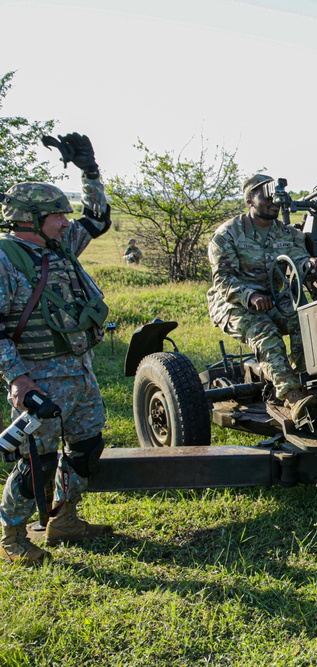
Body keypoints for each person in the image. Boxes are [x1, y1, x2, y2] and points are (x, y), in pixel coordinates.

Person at [0, 132, 114, 565]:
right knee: (36, 461)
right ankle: (12, 536)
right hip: (39, 376)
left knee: (87, 446)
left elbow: (97, 219)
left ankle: (63, 519)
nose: (67, 223)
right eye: (56, 216)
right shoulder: (6, 259)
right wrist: (18, 379)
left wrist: (90, 171)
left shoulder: (60, 248)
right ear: (29, 219)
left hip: (79, 372)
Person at [207, 174, 317, 420]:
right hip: (233, 303)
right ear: (250, 200)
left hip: (275, 299)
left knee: (307, 323)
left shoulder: (287, 233)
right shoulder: (228, 234)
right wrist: (250, 295)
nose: (274, 202)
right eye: (266, 197)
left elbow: (297, 259)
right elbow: (223, 280)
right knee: (265, 333)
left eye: (276, 198)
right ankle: (293, 397)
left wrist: (311, 265)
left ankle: (310, 380)